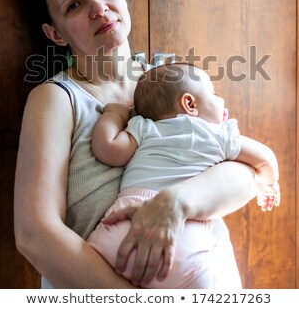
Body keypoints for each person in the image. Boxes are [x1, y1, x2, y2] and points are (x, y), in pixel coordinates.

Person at [14, 0, 257, 289]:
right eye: (74, 5)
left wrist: (176, 203)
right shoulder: (57, 99)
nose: (98, 7)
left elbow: (245, 173)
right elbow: (35, 233)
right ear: (55, 33)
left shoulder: (170, 78)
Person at [87, 63, 280, 288]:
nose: (222, 100)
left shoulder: (144, 127)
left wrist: (113, 114)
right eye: (214, 93)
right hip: (185, 236)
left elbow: (107, 149)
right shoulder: (219, 134)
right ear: (189, 103)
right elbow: (265, 158)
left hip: (120, 229)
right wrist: (269, 183)